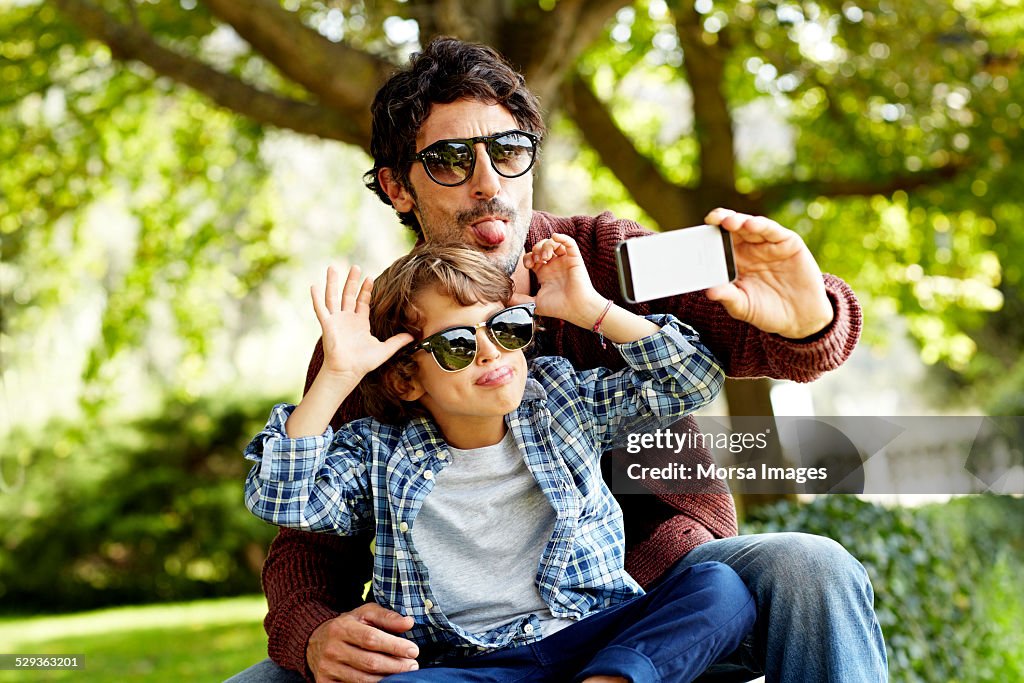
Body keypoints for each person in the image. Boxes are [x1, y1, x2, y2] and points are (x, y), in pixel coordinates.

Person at [231, 37, 886, 683]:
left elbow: (757, 350)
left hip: (643, 598)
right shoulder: (372, 336)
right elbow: (307, 537)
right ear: (399, 186)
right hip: (456, 642)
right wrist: (312, 630)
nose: (490, 184)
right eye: (452, 160)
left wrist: (808, 317)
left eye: (509, 152)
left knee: (809, 566)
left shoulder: (606, 258)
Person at [243, 238, 755, 682]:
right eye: (457, 345)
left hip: (595, 637)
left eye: (505, 327)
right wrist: (338, 374)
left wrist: (591, 309)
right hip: (466, 666)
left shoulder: (562, 402)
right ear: (407, 378)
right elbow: (282, 496)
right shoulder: (378, 453)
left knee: (719, 591)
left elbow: (691, 379)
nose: (490, 351)